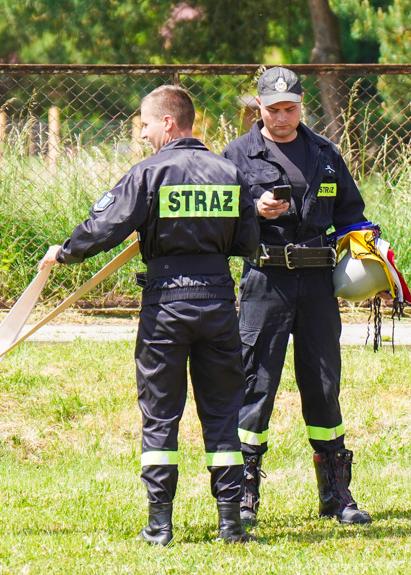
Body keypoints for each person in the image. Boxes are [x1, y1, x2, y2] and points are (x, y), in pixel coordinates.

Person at [38, 85, 259, 545]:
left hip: (166, 304)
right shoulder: (229, 172)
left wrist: (65, 253)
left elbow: (106, 226)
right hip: (219, 302)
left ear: (168, 123)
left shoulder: (148, 173)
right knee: (222, 412)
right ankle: (230, 524)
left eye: (143, 122)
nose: (139, 132)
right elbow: (246, 244)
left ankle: (160, 526)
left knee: (161, 414)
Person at [221, 66, 372, 526]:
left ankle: (336, 494)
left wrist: (369, 252)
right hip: (266, 281)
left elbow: (351, 213)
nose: (283, 118)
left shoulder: (325, 153)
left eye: (290, 109)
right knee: (256, 384)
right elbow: (222, 220)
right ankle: (244, 496)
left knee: (324, 385)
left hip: (318, 286)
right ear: (258, 106)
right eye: (273, 110)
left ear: (300, 106)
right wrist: (253, 208)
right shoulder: (236, 154)